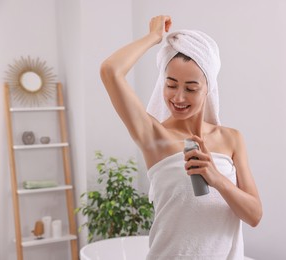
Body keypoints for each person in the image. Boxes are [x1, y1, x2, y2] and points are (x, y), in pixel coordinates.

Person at [100, 15, 262, 260]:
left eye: (191, 88)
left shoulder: (232, 139)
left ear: (208, 87)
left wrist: (216, 178)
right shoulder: (155, 136)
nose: (178, 97)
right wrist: (154, 37)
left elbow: (254, 215)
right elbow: (110, 71)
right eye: (171, 84)